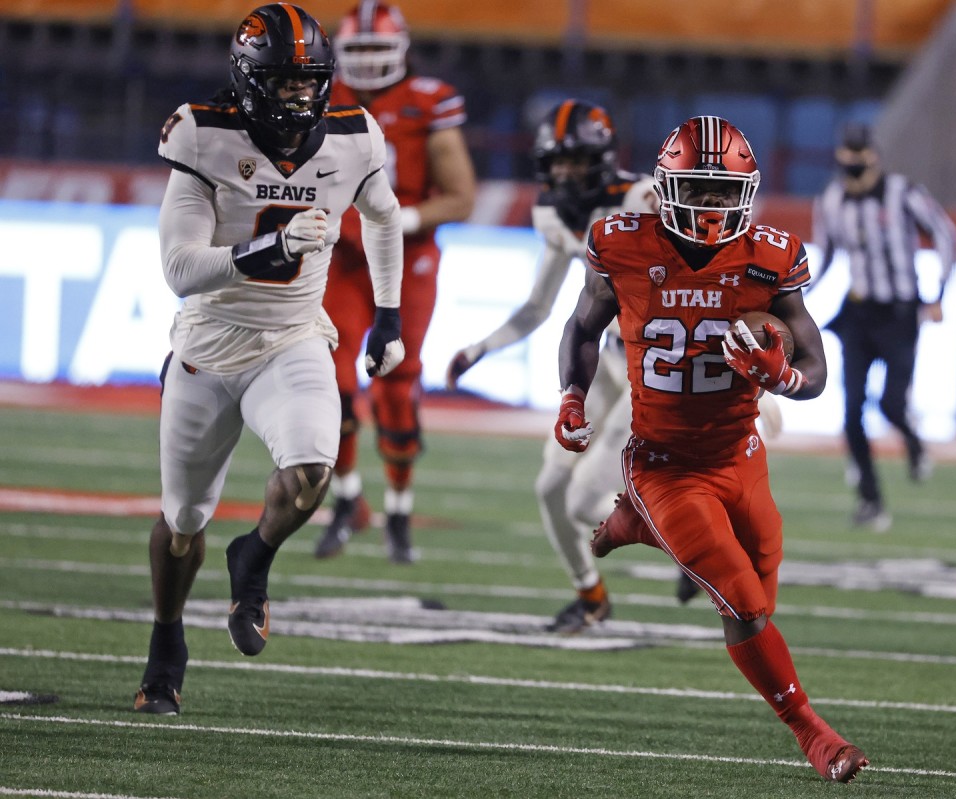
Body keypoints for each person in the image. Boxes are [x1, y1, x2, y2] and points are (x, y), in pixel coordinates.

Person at [558, 115, 869, 783]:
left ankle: (634, 523)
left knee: (763, 595)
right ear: (668, 188)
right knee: (743, 604)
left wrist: (783, 376)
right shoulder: (624, 244)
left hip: (741, 455)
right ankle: (813, 733)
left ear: (748, 194)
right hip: (666, 465)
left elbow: (814, 364)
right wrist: (572, 398)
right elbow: (584, 327)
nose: (712, 206)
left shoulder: (770, 258)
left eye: (726, 193)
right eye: (698, 190)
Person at [134, 2, 406, 715]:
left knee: (314, 467)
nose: (298, 95)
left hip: (293, 337)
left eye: (308, 80)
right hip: (209, 345)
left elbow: (385, 216)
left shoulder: (352, 138)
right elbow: (180, 269)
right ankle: (167, 640)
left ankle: (252, 558)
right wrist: (271, 248)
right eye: (284, 81)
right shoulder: (203, 134)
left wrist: (387, 313)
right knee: (182, 519)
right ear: (249, 79)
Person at [445, 99, 673, 632]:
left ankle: (693, 544)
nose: (566, 172)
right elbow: (539, 306)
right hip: (603, 360)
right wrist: (482, 347)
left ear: (602, 157)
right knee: (550, 487)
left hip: (651, 368)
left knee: (583, 501)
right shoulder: (550, 213)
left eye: (577, 160)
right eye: (559, 161)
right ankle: (591, 595)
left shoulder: (643, 199)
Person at [313, 0, 477, 563]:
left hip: (406, 258)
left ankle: (400, 509)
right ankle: (347, 499)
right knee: (330, 376)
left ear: (403, 51)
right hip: (342, 256)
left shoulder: (427, 102)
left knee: (397, 383)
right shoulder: (317, 96)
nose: (367, 63)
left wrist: (399, 219)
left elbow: (459, 197)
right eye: (357, 51)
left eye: (377, 49)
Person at [810, 122, 956, 532]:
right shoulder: (830, 200)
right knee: (852, 411)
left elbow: (947, 236)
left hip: (898, 313)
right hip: (858, 313)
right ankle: (871, 500)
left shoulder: (903, 193)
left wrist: (937, 294)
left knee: (892, 404)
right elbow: (823, 255)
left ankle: (913, 444)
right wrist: (794, 297)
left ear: (873, 158)